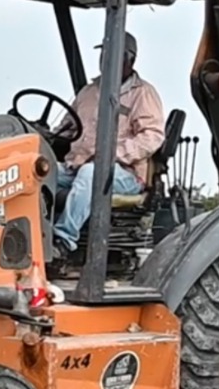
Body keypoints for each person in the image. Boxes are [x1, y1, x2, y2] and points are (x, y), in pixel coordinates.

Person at [51, 31, 165, 260]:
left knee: (91, 172)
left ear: (129, 60)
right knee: (38, 172)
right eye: (103, 53)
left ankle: (63, 241)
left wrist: (111, 155)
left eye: (111, 54)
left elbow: (152, 136)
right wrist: (46, 136)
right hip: (78, 165)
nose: (104, 59)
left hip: (125, 175)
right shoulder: (89, 91)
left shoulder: (142, 94)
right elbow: (68, 128)